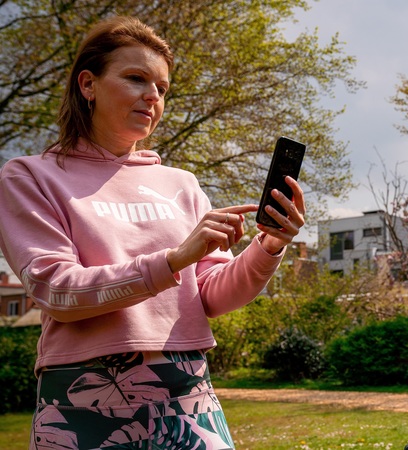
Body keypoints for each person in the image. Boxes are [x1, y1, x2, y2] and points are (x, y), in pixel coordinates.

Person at [0, 16, 306, 449]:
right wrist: (175, 259)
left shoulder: (181, 183)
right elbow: (56, 290)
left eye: (162, 88)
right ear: (88, 84)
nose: (153, 96)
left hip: (187, 389)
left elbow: (211, 296)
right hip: (81, 393)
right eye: (136, 78)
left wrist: (270, 244)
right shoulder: (29, 176)